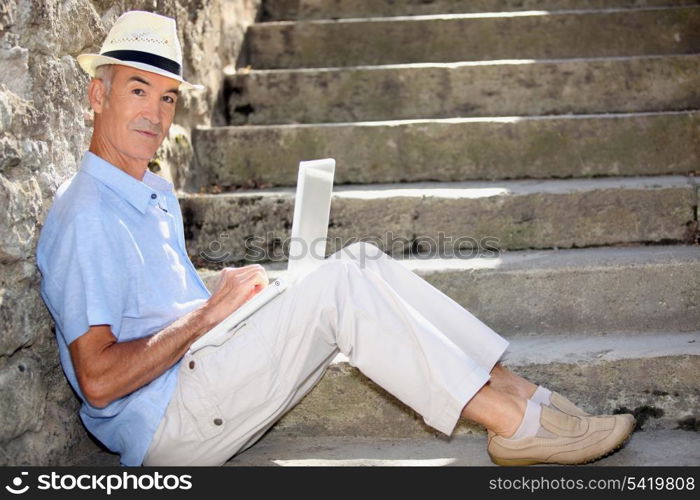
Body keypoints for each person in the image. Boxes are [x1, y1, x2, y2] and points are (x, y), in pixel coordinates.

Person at [36, 10, 635, 467]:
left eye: (167, 98)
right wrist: (209, 315)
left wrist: (226, 302)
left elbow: (153, 314)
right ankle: (514, 426)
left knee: (360, 261)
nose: (156, 114)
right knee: (342, 287)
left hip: (198, 373)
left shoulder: (147, 191)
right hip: (170, 421)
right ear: (98, 96)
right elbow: (100, 379)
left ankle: (526, 396)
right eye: (137, 89)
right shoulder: (87, 213)